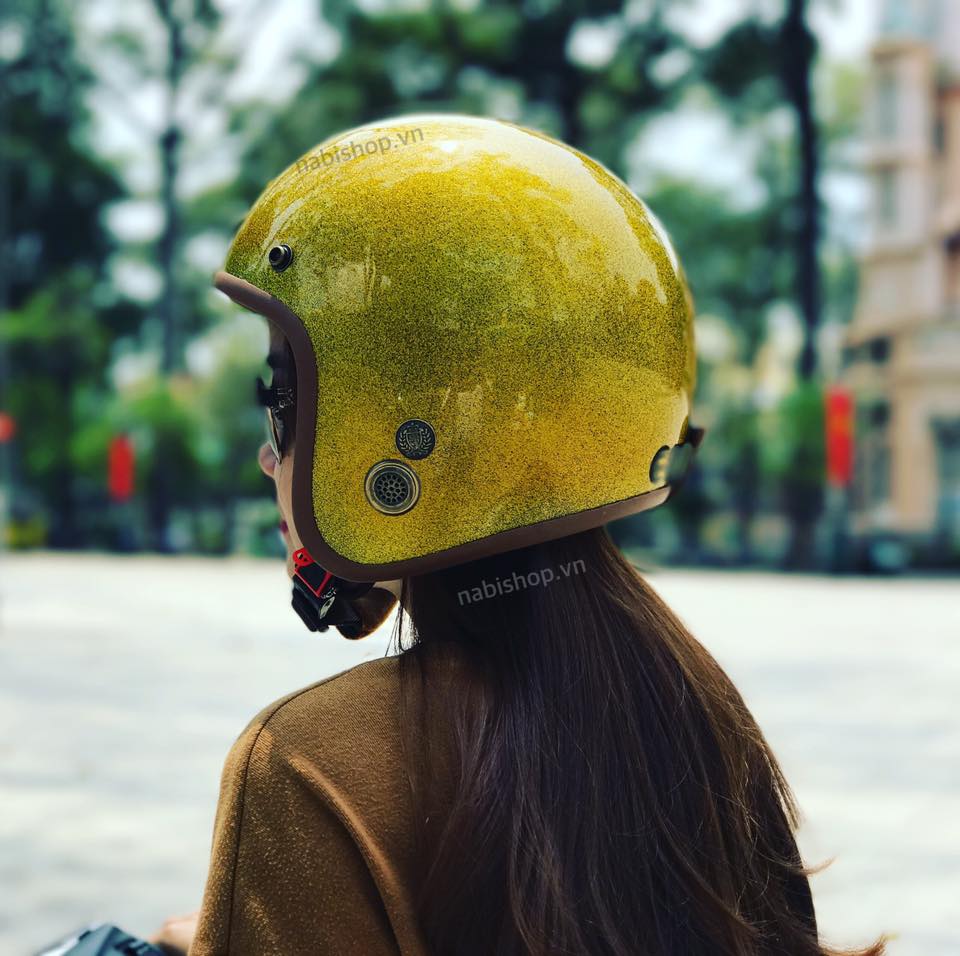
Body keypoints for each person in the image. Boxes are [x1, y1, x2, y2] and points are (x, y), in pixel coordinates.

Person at [150, 114, 888, 955]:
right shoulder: (695, 706)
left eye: (283, 400)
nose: (266, 453)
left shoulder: (305, 763)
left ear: (400, 427)